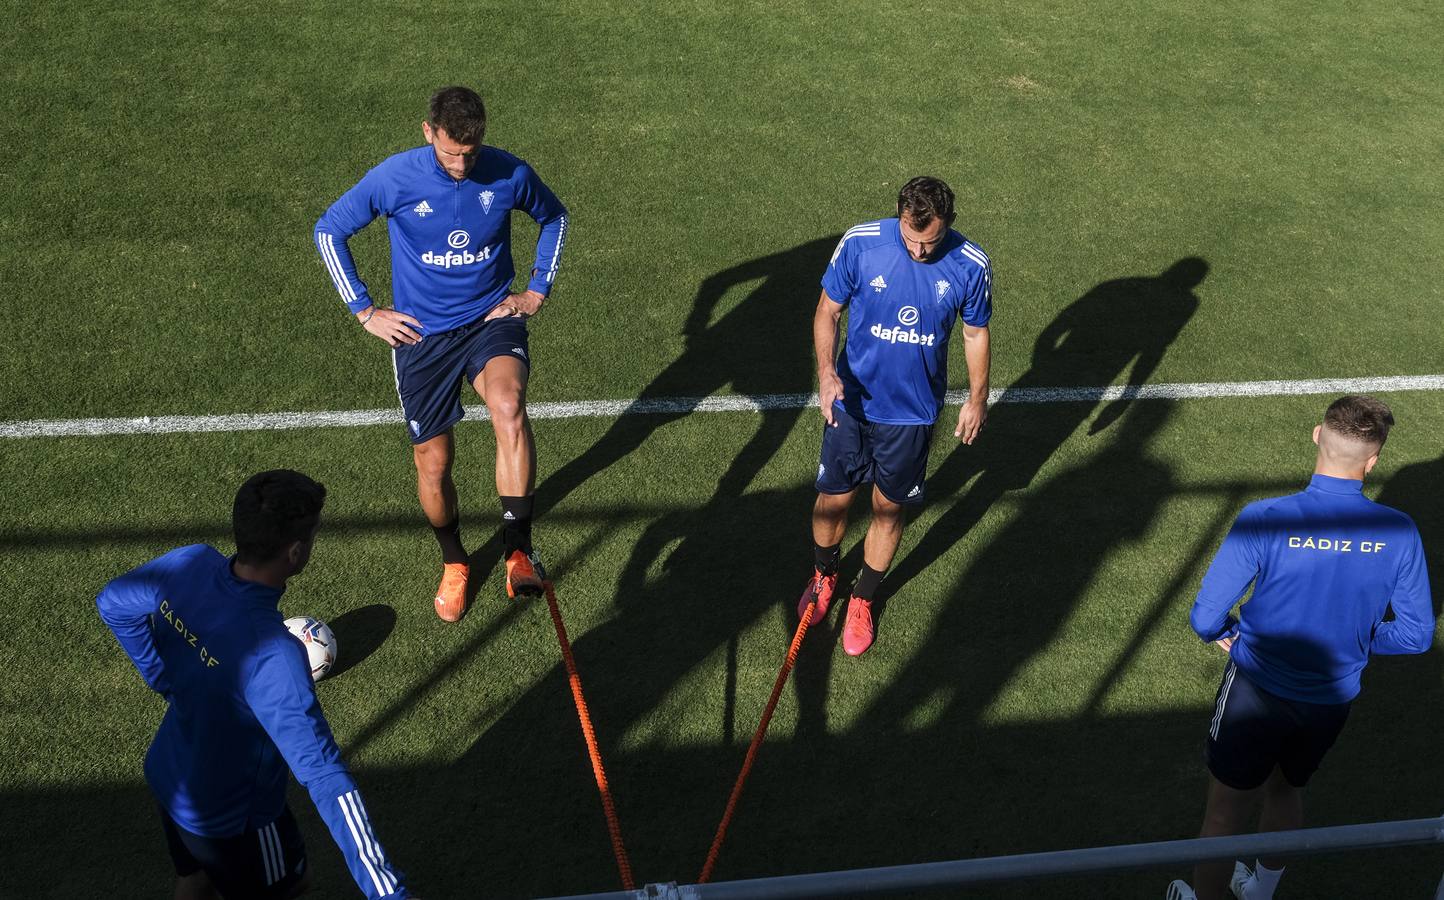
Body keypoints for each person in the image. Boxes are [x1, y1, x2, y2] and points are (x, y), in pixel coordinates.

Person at [314, 85, 569, 621]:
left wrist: (536, 290)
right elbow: (329, 231)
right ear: (428, 132)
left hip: (489, 321)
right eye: (450, 152)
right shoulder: (394, 177)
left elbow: (555, 218)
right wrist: (364, 310)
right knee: (434, 461)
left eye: (469, 154)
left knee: (509, 406)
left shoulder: (508, 173)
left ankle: (517, 548)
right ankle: (455, 561)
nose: (459, 163)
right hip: (421, 336)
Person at [1167, 396, 1435, 900]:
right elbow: (1416, 634)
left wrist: (1223, 633)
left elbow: (1205, 616)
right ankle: (1262, 892)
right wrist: (1356, 635)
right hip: (1329, 702)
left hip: (1255, 691)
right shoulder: (1399, 532)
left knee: (1225, 810)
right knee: (1288, 789)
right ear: (1373, 462)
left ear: (1317, 436)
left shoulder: (1266, 516)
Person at [96, 470, 409, 899]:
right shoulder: (274, 657)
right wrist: (388, 893)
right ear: (296, 552)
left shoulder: (190, 562)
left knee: (194, 877)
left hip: (169, 775)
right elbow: (323, 776)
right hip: (233, 818)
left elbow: (113, 602)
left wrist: (165, 679)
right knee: (290, 885)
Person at [799, 176, 992, 655]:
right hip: (852, 403)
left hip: (911, 416)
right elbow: (827, 311)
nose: (921, 251)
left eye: (931, 242)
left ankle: (862, 597)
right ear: (899, 217)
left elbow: (974, 334)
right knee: (832, 502)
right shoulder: (862, 244)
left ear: (949, 225)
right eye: (911, 239)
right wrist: (825, 373)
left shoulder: (971, 265)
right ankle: (824, 575)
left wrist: (977, 397)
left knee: (888, 510)